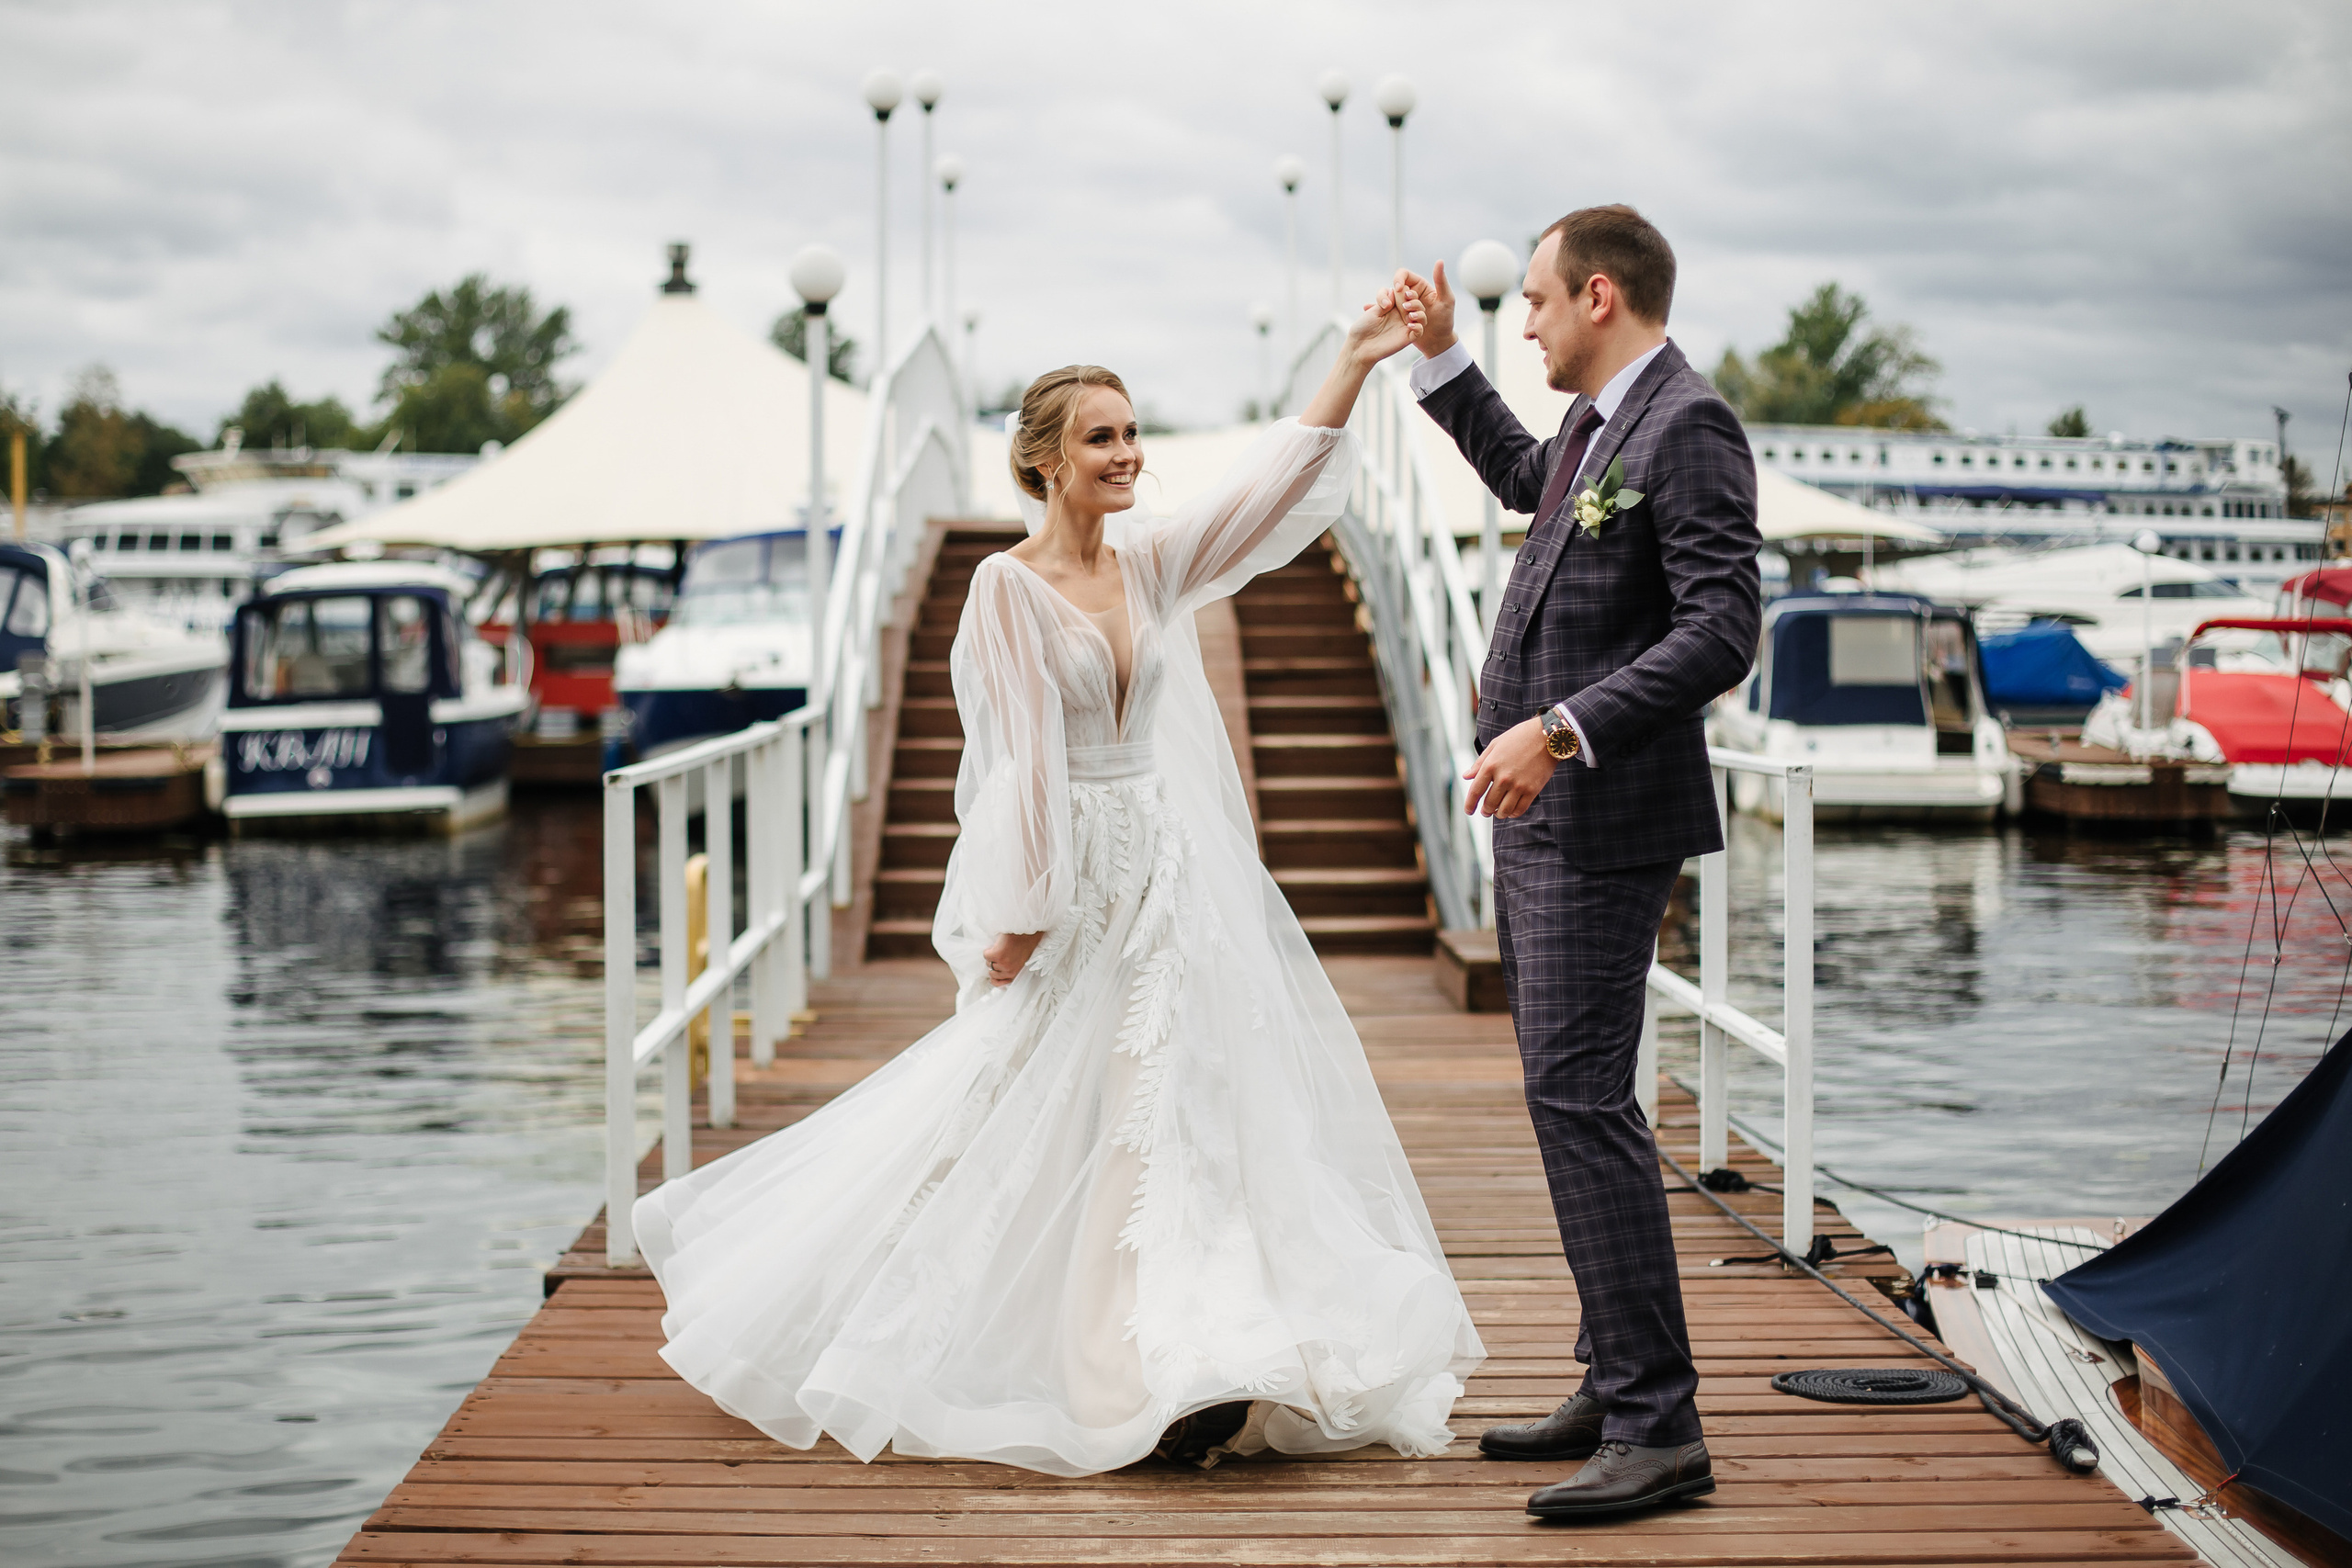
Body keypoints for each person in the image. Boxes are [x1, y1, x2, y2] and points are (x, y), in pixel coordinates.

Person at [631, 287, 1485, 1479]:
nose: (1127, 454)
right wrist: (1024, 917)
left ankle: (1202, 1355)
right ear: (1044, 460)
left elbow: (1267, 495)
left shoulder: (1151, 563)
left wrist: (1353, 363)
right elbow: (1022, 764)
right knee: (1048, 1112)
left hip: (1172, 879)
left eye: (1133, 434)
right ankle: (1112, 1367)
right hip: (1076, 889)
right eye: (1101, 437)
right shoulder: (1004, 590)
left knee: (1181, 1106)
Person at [1393, 205, 1761, 1518]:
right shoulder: (1602, 432)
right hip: (1547, 822)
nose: (1529, 320)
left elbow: (1725, 632)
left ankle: (1660, 1425)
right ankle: (1617, 1377)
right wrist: (1443, 363)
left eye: (1538, 301)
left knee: (1585, 1106)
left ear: (1600, 296)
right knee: (1569, 1102)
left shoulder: (1690, 425)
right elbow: (1523, 479)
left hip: (1601, 820)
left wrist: (1559, 731)